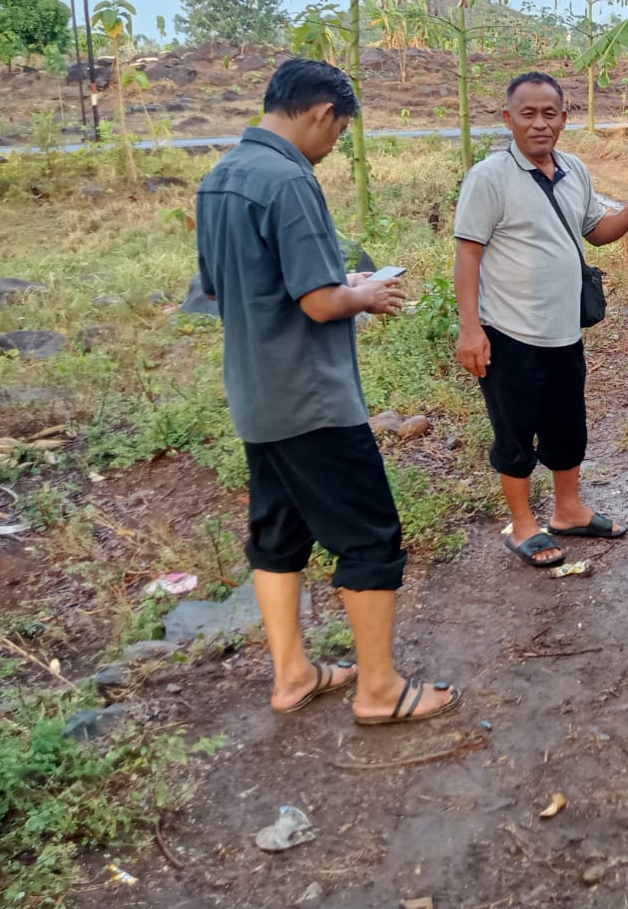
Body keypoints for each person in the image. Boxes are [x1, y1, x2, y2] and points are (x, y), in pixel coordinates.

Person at [196, 58, 459, 726]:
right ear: (322, 113)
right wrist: (364, 294)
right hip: (312, 400)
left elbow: (226, 290)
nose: (334, 145)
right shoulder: (289, 180)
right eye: (339, 132)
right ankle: (380, 690)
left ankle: (292, 674)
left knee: (278, 535)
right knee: (370, 535)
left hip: (257, 394)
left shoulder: (222, 177)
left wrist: (340, 286)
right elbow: (318, 302)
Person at [453, 72, 628, 568]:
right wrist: (470, 328)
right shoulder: (489, 177)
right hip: (509, 333)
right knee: (514, 431)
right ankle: (523, 525)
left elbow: (596, 232)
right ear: (508, 119)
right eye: (528, 113)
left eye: (550, 113)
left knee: (568, 427)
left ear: (565, 118)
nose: (539, 123)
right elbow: (468, 256)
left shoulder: (574, 170)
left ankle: (568, 511)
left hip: (564, 332)